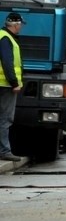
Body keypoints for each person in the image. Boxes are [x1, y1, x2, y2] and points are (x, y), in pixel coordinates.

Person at [0, 13, 26, 161]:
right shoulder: (6, 38)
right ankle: (4, 151)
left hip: (3, 83)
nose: (21, 27)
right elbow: (7, 62)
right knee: (5, 119)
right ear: (15, 24)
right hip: (5, 85)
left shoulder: (2, 35)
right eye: (20, 24)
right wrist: (14, 83)